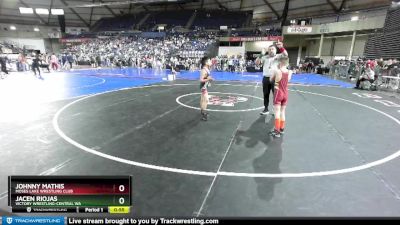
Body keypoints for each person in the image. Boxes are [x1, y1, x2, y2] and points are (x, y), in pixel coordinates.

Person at [256, 41, 288, 115]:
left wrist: (281, 47)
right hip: (266, 78)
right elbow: (257, 63)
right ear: (268, 51)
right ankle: (266, 109)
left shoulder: (278, 56)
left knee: (276, 95)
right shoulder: (264, 57)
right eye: (269, 49)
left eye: (272, 49)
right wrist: (261, 55)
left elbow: (286, 54)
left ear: (275, 50)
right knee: (266, 94)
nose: (271, 50)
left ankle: (275, 110)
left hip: (275, 79)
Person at [269, 57, 292, 138]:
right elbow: (287, 80)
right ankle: (282, 129)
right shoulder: (290, 72)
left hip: (278, 93)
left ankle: (277, 131)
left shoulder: (277, 71)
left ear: (280, 63)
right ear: (287, 63)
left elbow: (271, 80)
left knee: (277, 112)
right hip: (285, 93)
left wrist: (273, 72)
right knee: (283, 112)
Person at [199, 56, 213, 121]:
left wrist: (209, 79)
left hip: (204, 86)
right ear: (206, 62)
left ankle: (202, 112)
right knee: (206, 100)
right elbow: (201, 80)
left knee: (203, 99)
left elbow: (206, 77)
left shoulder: (206, 68)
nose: (211, 62)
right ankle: (204, 115)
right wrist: (209, 78)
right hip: (203, 87)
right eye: (209, 61)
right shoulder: (204, 70)